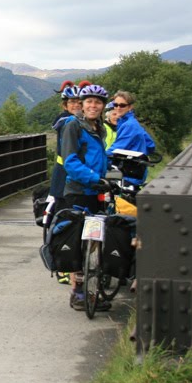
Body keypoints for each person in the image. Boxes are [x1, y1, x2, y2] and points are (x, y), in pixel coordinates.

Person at [61, 83, 111, 311]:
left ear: (102, 106)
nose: (93, 105)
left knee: (96, 243)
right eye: (89, 102)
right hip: (79, 191)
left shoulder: (98, 128)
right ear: (82, 104)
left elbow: (100, 159)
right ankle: (77, 292)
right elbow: (70, 162)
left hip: (96, 192)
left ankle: (93, 291)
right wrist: (93, 177)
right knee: (78, 244)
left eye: (97, 102)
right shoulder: (74, 126)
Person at [44, 81, 81, 284]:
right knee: (64, 218)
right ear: (65, 105)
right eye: (72, 102)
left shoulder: (86, 122)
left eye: (78, 101)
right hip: (63, 175)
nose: (76, 104)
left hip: (78, 176)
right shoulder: (64, 120)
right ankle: (61, 264)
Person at [107, 90, 157, 186]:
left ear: (130, 107)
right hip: (138, 174)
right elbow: (150, 145)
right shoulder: (132, 122)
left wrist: (98, 160)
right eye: (115, 104)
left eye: (122, 105)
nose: (118, 108)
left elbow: (115, 150)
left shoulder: (129, 125)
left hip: (128, 176)